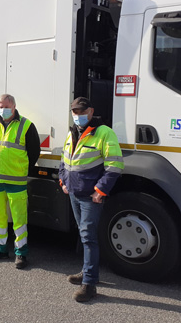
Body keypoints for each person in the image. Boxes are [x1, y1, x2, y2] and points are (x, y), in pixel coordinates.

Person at [59, 97, 124, 302]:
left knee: (88, 237)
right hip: (74, 193)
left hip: (90, 196)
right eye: (74, 112)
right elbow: (64, 160)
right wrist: (63, 181)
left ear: (90, 111)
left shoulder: (104, 132)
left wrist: (100, 190)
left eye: (81, 111)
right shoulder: (72, 133)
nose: (77, 115)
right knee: (83, 235)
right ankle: (88, 272)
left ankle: (89, 285)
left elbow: (115, 165)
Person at [0, 94, 40, 269]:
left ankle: (21, 253)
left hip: (16, 181)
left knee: (19, 219)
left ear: (14, 106)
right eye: (1, 105)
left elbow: (33, 152)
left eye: (7, 106)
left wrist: (20, 169)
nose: (3, 109)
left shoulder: (26, 125)